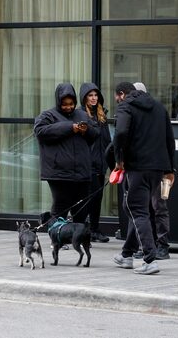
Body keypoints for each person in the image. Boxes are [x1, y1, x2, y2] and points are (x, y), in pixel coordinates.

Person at [111, 82, 175, 275]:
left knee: (137, 211)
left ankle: (149, 259)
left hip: (137, 167)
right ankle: (127, 254)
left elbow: (120, 133)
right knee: (141, 210)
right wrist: (170, 168)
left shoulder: (125, 107)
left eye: (116, 98)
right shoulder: (158, 107)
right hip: (158, 167)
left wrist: (119, 159)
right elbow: (169, 138)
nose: (117, 101)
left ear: (122, 94)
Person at [34, 83, 98, 226]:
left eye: (71, 104)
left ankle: (79, 236)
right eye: (65, 104)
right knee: (61, 206)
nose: (68, 107)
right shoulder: (48, 115)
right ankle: (57, 238)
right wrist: (70, 127)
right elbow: (40, 132)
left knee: (81, 208)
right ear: (58, 102)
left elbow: (95, 135)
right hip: (59, 172)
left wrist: (86, 130)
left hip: (82, 172)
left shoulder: (82, 114)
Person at [79, 82, 112, 243]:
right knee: (88, 198)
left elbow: (107, 140)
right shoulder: (81, 115)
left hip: (101, 164)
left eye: (95, 95)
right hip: (87, 164)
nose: (93, 98)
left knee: (97, 198)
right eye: (90, 95)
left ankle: (94, 230)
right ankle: (80, 229)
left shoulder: (102, 115)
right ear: (84, 98)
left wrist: (109, 162)